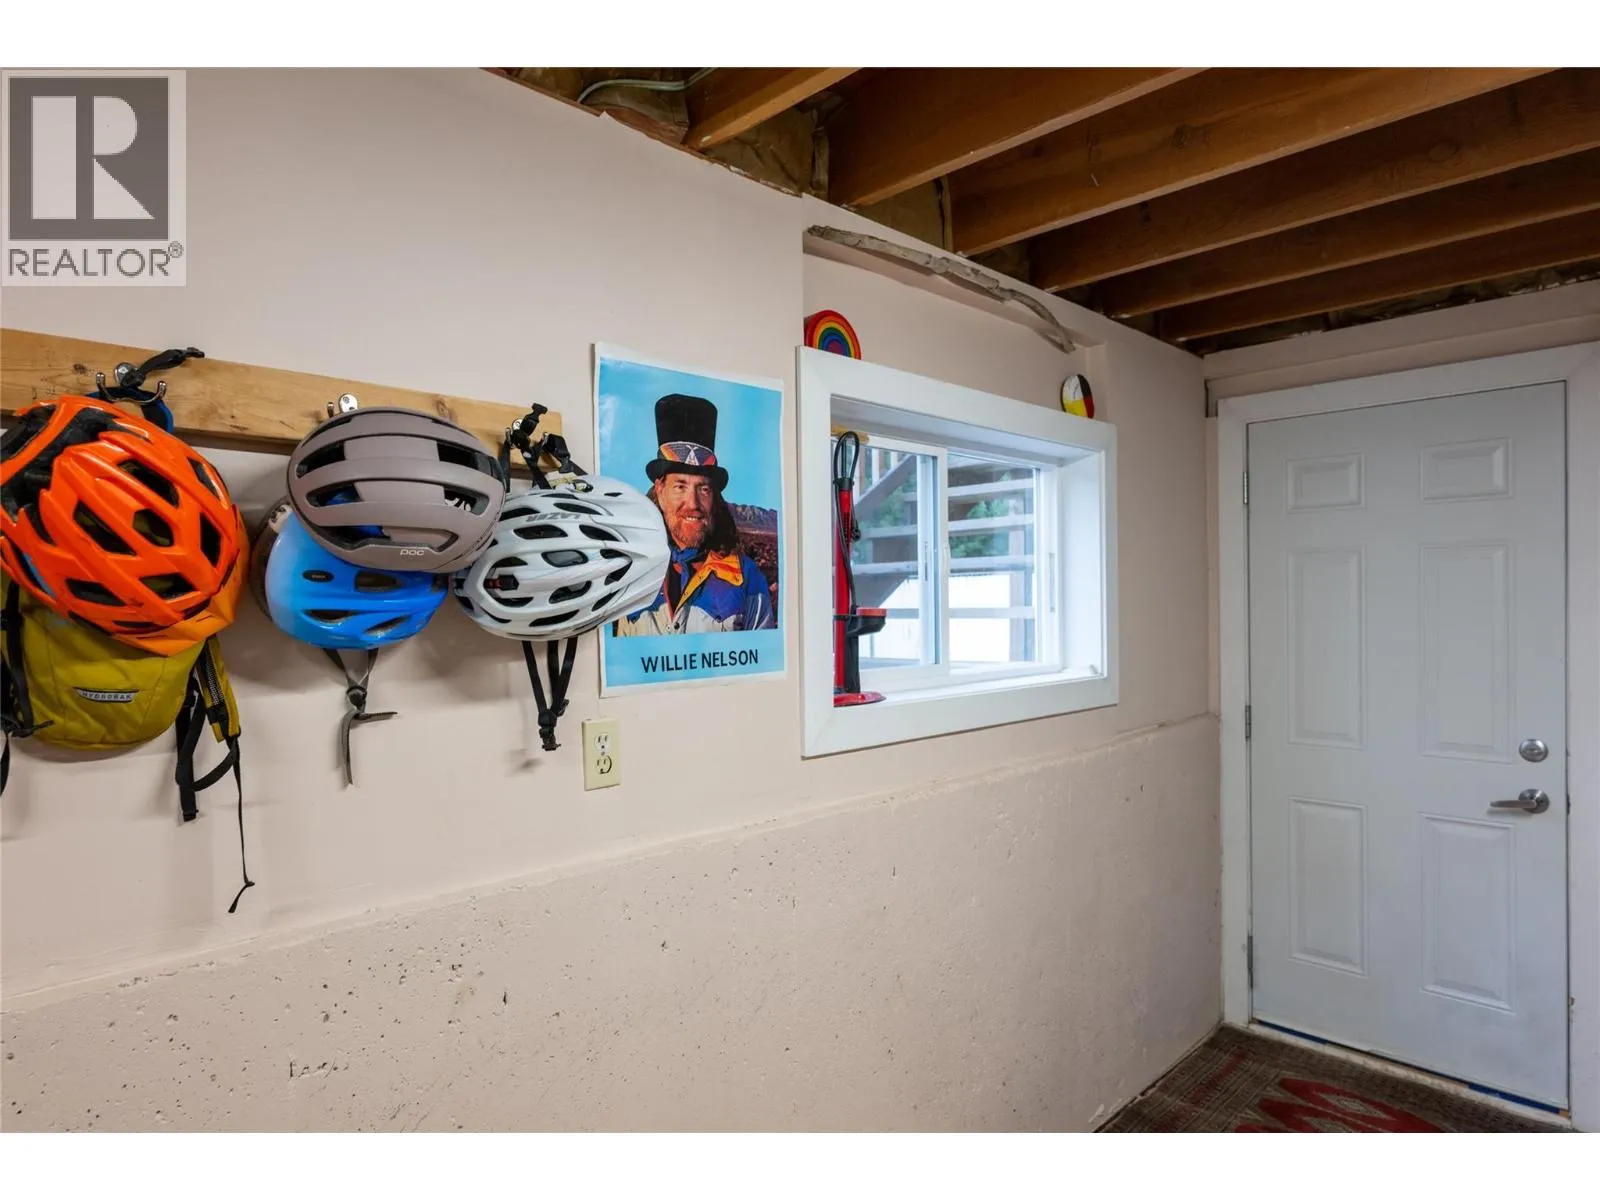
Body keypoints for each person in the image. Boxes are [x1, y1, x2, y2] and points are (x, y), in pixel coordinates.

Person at [614, 393, 775, 636]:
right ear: (660, 490)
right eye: (680, 486)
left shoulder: (747, 578)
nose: (693, 503)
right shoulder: (630, 570)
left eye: (703, 489)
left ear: (714, 498)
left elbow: (762, 656)